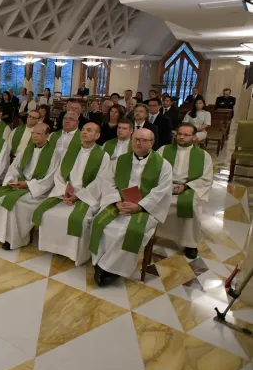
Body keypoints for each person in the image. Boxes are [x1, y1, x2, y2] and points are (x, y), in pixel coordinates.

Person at [90, 128, 173, 287]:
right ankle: (101, 262)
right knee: (100, 223)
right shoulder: (120, 160)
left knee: (128, 231)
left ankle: (107, 269)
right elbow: (108, 183)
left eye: (143, 140)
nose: (138, 143)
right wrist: (116, 201)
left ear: (152, 143)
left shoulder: (163, 165)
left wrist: (139, 206)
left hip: (144, 208)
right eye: (135, 139)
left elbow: (161, 191)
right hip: (120, 203)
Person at [33, 123, 110, 265]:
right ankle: (53, 247)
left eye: (89, 130)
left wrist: (78, 196)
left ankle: (73, 253)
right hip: (65, 193)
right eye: (84, 129)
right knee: (47, 213)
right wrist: (64, 190)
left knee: (77, 220)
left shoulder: (103, 156)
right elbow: (59, 173)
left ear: (97, 136)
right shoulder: (71, 150)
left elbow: (100, 181)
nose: (84, 132)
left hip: (87, 197)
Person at [0, 123, 59, 250]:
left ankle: (14, 239)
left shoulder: (55, 153)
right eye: (33, 133)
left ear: (47, 135)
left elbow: (49, 179)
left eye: (39, 134)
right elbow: (14, 168)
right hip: (20, 184)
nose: (35, 136)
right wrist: (12, 179)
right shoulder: (27, 149)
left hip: (38, 191)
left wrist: (27, 184)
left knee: (14, 202)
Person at [157, 124, 213, 259]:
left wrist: (186, 186)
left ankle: (190, 244)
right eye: (179, 134)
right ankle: (155, 234)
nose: (181, 137)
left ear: (194, 137)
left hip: (188, 187)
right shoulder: (163, 150)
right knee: (153, 202)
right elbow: (153, 169)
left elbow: (206, 178)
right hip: (165, 186)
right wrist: (165, 184)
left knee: (191, 207)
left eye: (186, 135)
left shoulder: (203, 156)